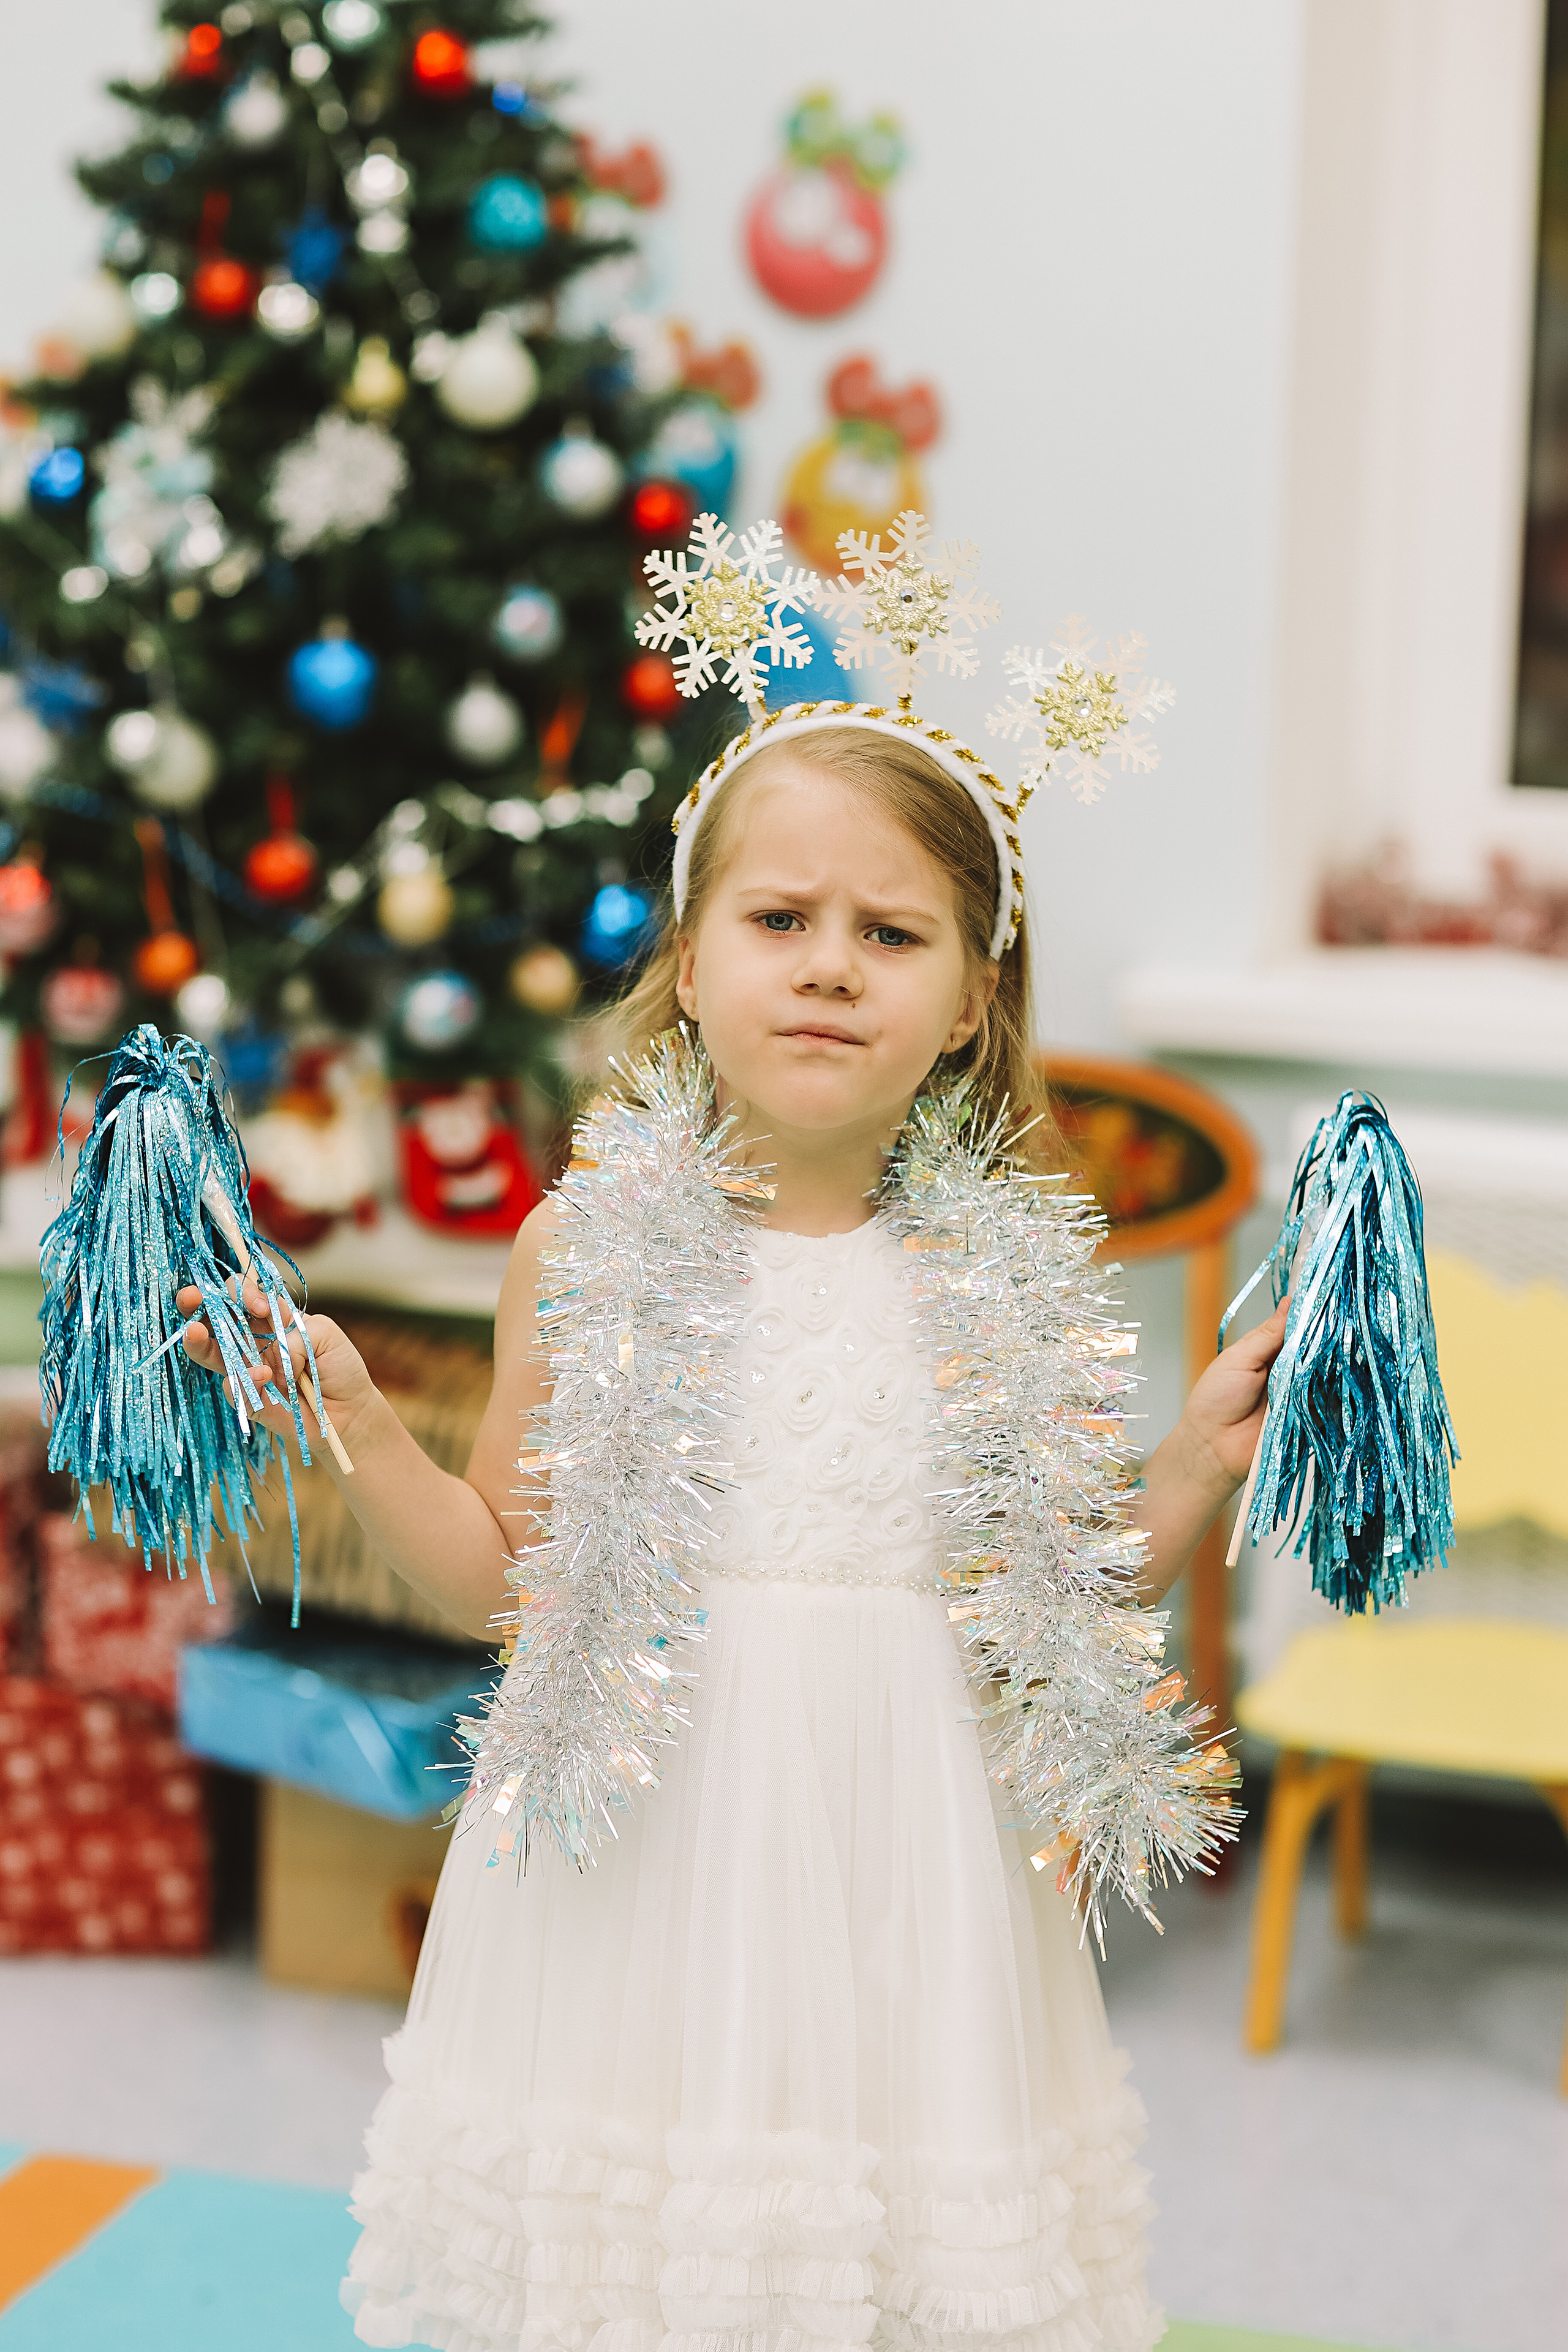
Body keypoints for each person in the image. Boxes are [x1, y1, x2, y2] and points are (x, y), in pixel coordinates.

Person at [183, 690, 1284, 2352]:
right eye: (781, 920)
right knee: (653, 2263)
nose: (833, 963)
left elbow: (1054, 1609)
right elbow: (506, 1579)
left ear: (972, 1003)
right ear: (692, 968)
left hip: (911, 1860)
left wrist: (1193, 1464)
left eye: (892, 932)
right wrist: (355, 1426)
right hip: (649, 1862)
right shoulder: (586, 1247)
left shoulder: (1001, 1278)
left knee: (897, 2246)